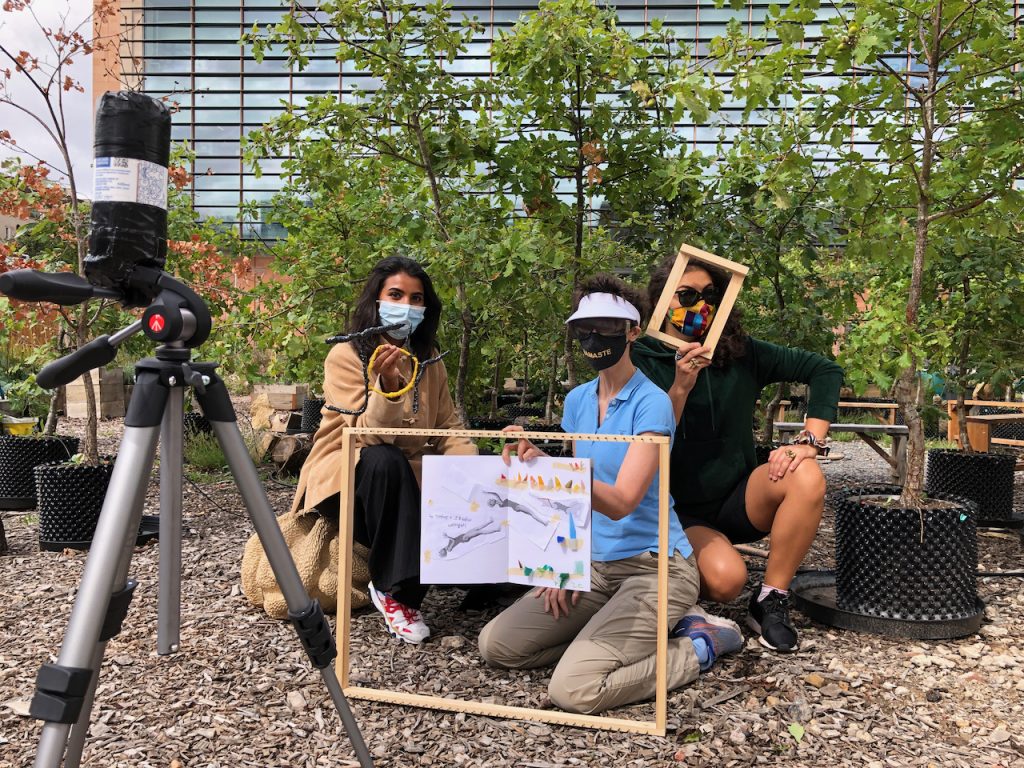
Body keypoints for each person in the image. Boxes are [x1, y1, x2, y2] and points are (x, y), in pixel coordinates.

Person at [478, 275, 743, 715]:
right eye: (583, 328)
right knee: (498, 646)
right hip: (595, 564)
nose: (593, 337)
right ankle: (609, 646)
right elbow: (576, 498)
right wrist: (560, 565)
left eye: (605, 326)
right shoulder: (578, 401)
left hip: (655, 566)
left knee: (574, 690)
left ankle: (701, 645)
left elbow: (621, 502)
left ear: (632, 331)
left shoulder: (652, 403)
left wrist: (547, 466)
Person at [631, 256, 843, 653]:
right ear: (662, 300)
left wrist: (809, 442)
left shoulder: (740, 352)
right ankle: (677, 588)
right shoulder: (642, 359)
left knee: (806, 475)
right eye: (687, 295)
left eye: (711, 295)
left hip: (738, 498)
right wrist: (679, 386)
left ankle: (770, 599)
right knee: (727, 581)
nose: (700, 305)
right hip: (676, 511)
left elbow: (824, 369)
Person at [289, 255, 477, 644]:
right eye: (396, 295)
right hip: (349, 478)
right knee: (385, 460)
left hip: (405, 480)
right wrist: (387, 387)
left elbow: (448, 427)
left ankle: (480, 575)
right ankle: (396, 593)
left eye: (416, 298)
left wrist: (468, 471)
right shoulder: (347, 355)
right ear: (376, 300)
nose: (405, 306)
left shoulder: (430, 361)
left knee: (466, 476)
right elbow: (365, 437)